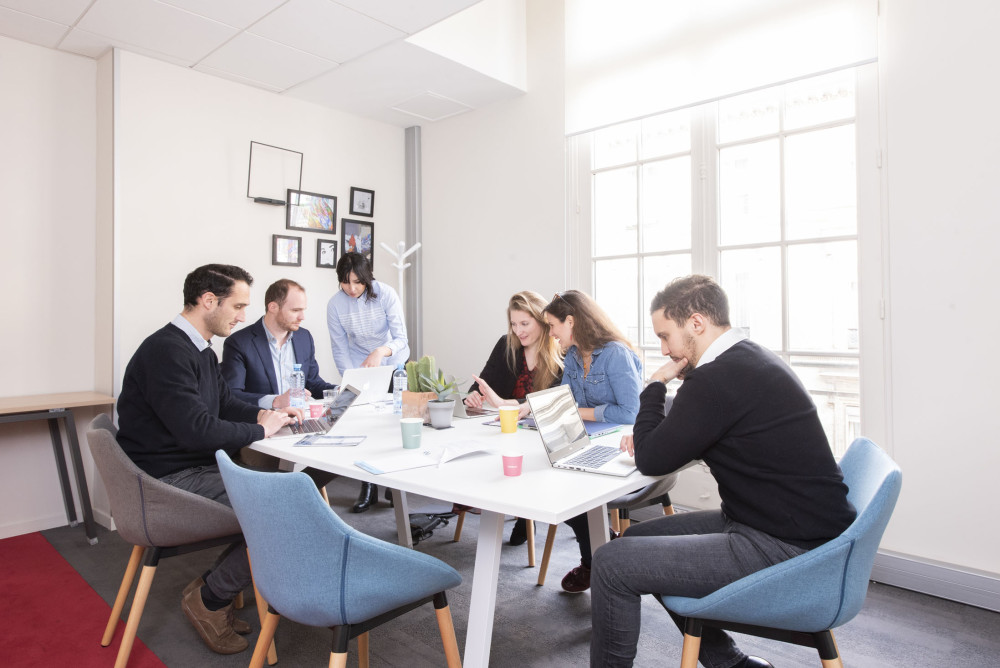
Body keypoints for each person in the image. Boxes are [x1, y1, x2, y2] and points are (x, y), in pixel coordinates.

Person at [590, 275, 857, 668]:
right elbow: (683, 429)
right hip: (787, 525)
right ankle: (729, 663)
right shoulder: (747, 358)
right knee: (639, 536)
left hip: (784, 545)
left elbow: (651, 458)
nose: (665, 350)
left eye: (666, 336)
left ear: (697, 324)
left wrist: (656, 382)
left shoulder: (714, 380)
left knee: (613, 563)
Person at [116, 264, 300, 656]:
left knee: (286, 495)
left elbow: (225, 403)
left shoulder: (198, 347)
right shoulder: (166, 352)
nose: (243, 317)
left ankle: (212, 588)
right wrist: (259, 431)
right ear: (208, 301)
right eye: (238, 306)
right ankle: (210, 598)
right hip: (168, 480)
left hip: (190, 467)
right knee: (283, 506)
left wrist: (270, 417)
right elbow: (196, 429)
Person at [542, 290, 643, 593]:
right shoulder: (573, 356)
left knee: (573, 492)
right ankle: (604, 548)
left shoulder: (615, 353)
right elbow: (563, 399)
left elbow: (630, 411)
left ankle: (593, 561)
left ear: (570, 321)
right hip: (585, 442)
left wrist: (579, 411)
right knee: (554, 486)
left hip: (621, 448)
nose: (551, 333)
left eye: (553, 326)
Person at [465, 291, 564, 545]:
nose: (518, 331)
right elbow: (483, 383)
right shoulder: (506, 344)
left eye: (524, 323)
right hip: (507, 429)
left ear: (541, 321)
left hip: (540, 430)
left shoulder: (559, 351)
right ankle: (513, 510)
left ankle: (525, 515)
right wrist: (475, 396)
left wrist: (505, 403)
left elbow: (555, 400)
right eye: (513, 324)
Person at [327, 252, 409, 512]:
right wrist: (351, 379)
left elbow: (401, 339)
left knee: (392, 423)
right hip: (359, 365)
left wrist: (381, 352)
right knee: (363, 423)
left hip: (390, 360)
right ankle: (368, 485)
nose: (351, 288)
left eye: (358, 282)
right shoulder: (335, 305)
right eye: (345, 282)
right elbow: (339, 348)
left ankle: (392, 483)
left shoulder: (386, 294)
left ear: (367, 278)